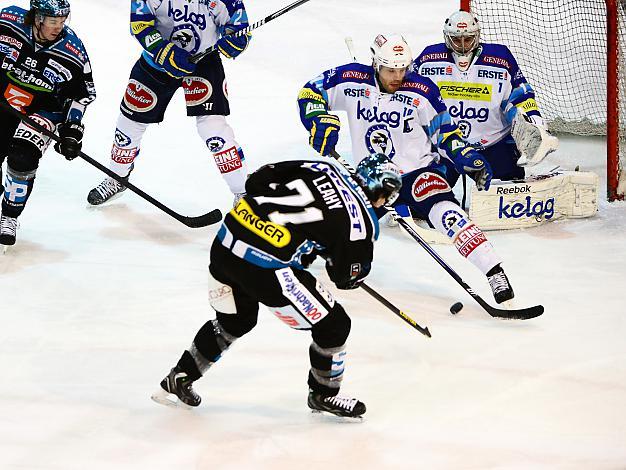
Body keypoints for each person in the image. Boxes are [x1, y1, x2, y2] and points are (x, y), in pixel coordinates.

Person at [151, 154, 402, 419]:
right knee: (335, 325)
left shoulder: (321, 167)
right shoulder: (361, 223)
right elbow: (346, 278)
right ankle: (323, 393)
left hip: (226, 243)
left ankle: (180, 375)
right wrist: (329, 251)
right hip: (264, 268)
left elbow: (257, 179)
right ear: (382, 191)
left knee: (236, 320)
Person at [296, 33, 515, 305]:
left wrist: (465, 155)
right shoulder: (350, 79)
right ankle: (300, 255)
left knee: (449, 215)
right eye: (390, 70)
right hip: (373, 178)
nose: (397, 76)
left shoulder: (422, 90)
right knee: (342, 223)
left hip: (419, 174)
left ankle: (494, 270)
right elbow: (310, 92)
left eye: (403, 68)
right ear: (375, 63)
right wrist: (318, 119)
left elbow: (445, 133)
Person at [86, 0, 252, 207]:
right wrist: (164, 51)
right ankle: (116, 177)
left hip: (204, 63)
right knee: (128, 124)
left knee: (213, 129)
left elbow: (239, 28)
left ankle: (243, 191)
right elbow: (140, 24)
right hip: (155, 63)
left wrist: (236, 41)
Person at [413, 10, 558, 181]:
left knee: (508, 194)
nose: (462, 45)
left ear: (477, 35)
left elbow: (520, 96)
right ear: (447, 37)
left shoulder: (500, 58)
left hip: (494, 143)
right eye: (456, 39)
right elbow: (410, 92)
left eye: (467, 39)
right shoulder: (429, 59)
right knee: (425, 194)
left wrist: (535, 122)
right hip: (448, 145)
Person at [0, 0, 96, 246]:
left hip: (43, 110)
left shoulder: (73, 51)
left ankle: (9, 217)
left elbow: (82, 94)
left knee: (23, 157)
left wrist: (72, 131)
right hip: (3, 100)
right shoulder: (7, 22)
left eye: (63, 21)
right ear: (37, 18)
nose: (59, 27)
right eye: (54, 21)